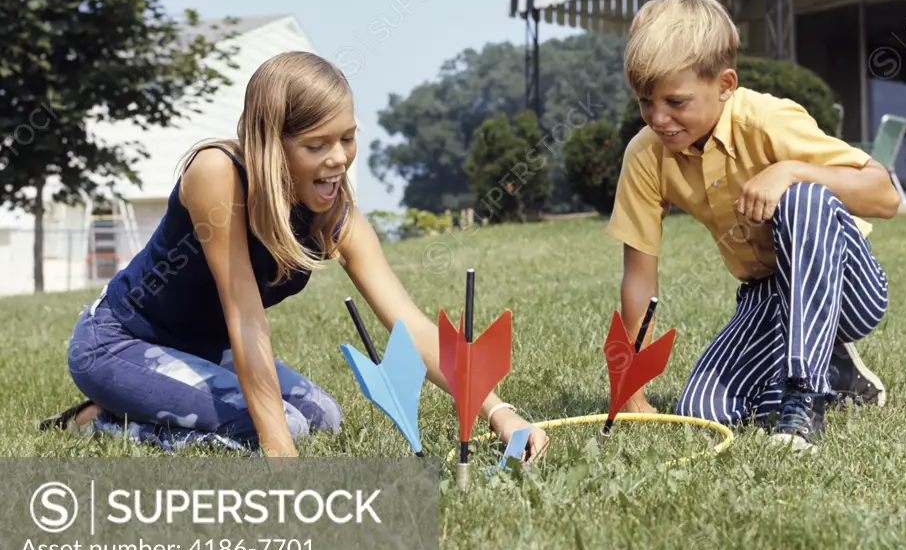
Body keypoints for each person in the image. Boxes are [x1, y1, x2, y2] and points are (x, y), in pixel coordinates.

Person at [41, 51, 548, 461]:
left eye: (347, 138)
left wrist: (498, 410)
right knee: (288, 429)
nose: (339, 159)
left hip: (201, 352)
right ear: (271, 144)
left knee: (323, 418)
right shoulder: (217, 174)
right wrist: (280, 458)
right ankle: (104, 420)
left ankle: (144, 404)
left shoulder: (333, 209)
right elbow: (245, 319)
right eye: (316, 145)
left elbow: (409, 325)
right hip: (119, 343)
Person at [606, 0, 899, 450]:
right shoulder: (647, 154)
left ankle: (805, 393)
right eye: (646, 101)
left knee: (803, 199)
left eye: (676, 103)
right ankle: (837, 373)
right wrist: (634, 394)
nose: (658, 118)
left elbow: (885, 195)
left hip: (847, 288)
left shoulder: (768, 120)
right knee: (700, 411)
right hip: (768, 297)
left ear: (724, 85)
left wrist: (791, 171)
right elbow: (639, 281)